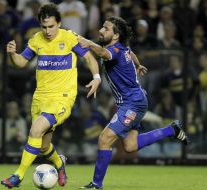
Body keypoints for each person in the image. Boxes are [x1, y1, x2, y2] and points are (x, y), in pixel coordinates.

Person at [78, 16, 189, 189]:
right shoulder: (123, 48)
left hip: (132, 103)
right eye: (102, 27)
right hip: (134, 101)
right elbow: (131, 53)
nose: (101, 30)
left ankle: (96, 184)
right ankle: (171, 130)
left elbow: (103, 53)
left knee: (104, 139)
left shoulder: (113, 50)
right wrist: (138, 65)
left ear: (115, 36)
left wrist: (87, 42)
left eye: (106, 28)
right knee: (130, 146)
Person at [1, 3, 101, 188]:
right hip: (40, 98)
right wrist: (12, 54)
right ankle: (59, 163)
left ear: (59, 23)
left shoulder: (69, 37)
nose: (47, 31)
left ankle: (18, 175)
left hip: (62, 97)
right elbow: (21, 62)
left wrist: (96, 77)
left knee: (35, 130)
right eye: (44, 27)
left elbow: (89, 58)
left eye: (51, 26)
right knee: (43, 146)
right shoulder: (36, 39)